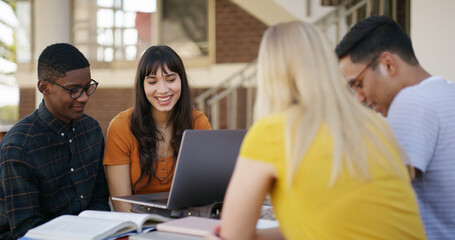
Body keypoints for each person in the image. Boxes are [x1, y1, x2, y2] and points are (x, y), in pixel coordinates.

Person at [206, 21, 427, 240]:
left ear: (269, 73)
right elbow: (333, 222)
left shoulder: (273, 132)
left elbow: (232, 235)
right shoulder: (374, 126)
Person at [336, 15, 455, 239]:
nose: (359, 99)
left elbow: (376, 198)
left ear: (388, 64)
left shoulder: (412, 100)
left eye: (358, 84)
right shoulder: (447, 93)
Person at [0, 43, 110, 239]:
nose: (84, 97)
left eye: (87, 88)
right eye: (74, 90)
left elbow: (99, 200)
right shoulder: (19, 146)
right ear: (44, 88)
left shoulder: (92, 130)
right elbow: (26, 229)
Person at [104, 45, 211, 212]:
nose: (162, 90)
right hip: (139, 225)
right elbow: (122, 206)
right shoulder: (121, 126)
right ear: (142, 86)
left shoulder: (198, 123)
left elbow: (205, 193)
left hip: (186, 221)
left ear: (181, 80)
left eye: (170, 79)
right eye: (152, 81)